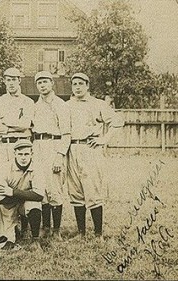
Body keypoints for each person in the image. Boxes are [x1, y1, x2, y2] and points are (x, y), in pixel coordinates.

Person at [67, 72, 123, 241]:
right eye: (74, 84)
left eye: (80, 84)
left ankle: (98, 233)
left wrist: (104, 139)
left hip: (90, 149)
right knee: (75, 191)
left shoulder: (98, 104)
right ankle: (81, 233)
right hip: (72, 148)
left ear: (87, 85)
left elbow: (118, 122)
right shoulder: (67, 105)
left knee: (92, 190)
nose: (77, 87)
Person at [32, 71, 71, 241]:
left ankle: (56, 230)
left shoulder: (61, 104)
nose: (42, 85)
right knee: (41, 187)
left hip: (54, 145)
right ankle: (45, 227)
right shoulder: (35, 105)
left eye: (45, 81)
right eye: (39, 82)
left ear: (52, 83)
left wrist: (59, 155)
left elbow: (67, 133)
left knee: (55, 188)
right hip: (38, 145)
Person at [0, 139, 45, 250]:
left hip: (21, 200)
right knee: (7, 241)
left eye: (26, 154)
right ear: (15, 154)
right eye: (20, 154)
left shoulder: (38, 168)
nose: (23, 157)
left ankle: (35, 239)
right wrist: (23, 195)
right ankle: (14, 230)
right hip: (8, 205)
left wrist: (13, 192)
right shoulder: (5, 168)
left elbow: (39, 195)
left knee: (34, 205)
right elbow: (1, 197)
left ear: (32, 154)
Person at [0, 67, 34, 167]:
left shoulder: (27, 101)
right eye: (8, 80)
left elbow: (24, 125)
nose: (11, 83)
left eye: (14, 80)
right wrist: (12, 127)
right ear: (4, 81)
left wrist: (3, 122)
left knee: (19, 176)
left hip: (21, 145)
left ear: (19, 80)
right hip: (2, 144)